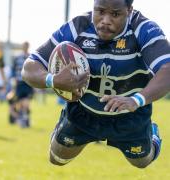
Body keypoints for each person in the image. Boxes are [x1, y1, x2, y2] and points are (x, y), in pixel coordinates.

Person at [21, 0, 170, 168]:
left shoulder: (143, 29)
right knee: (57, 158)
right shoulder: (78, 27)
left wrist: (136, 100)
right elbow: (29, 67)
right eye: (99, 11)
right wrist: (53, 80)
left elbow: (167, 69)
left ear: (129, 10)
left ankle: (153, 135)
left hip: (129, 114)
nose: (105, 20)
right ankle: (64, 124)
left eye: (115, 14)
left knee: (142, 162)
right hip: (85, 112)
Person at [11, 41, 34, 127]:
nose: (25, 47)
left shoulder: (31, 57)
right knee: (21, 103)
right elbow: (13, 69)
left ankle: (26, 119)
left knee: (26, 103)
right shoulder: (17, 57)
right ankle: (23, 120)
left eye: (27, 46)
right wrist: (13, 79)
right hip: (19, 82)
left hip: (28, 83)